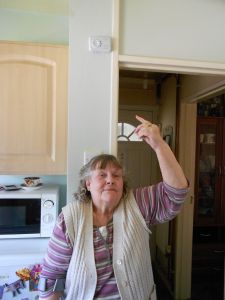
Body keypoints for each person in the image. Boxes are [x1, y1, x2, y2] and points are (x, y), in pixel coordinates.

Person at [38, 115, 189, 300]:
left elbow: (177, 192)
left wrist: (158, 144)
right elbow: (52, 277)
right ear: (88, 184)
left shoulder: (138, 204)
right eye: (102, 175)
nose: (110, 179)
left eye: (116, 175)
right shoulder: (69, 219)